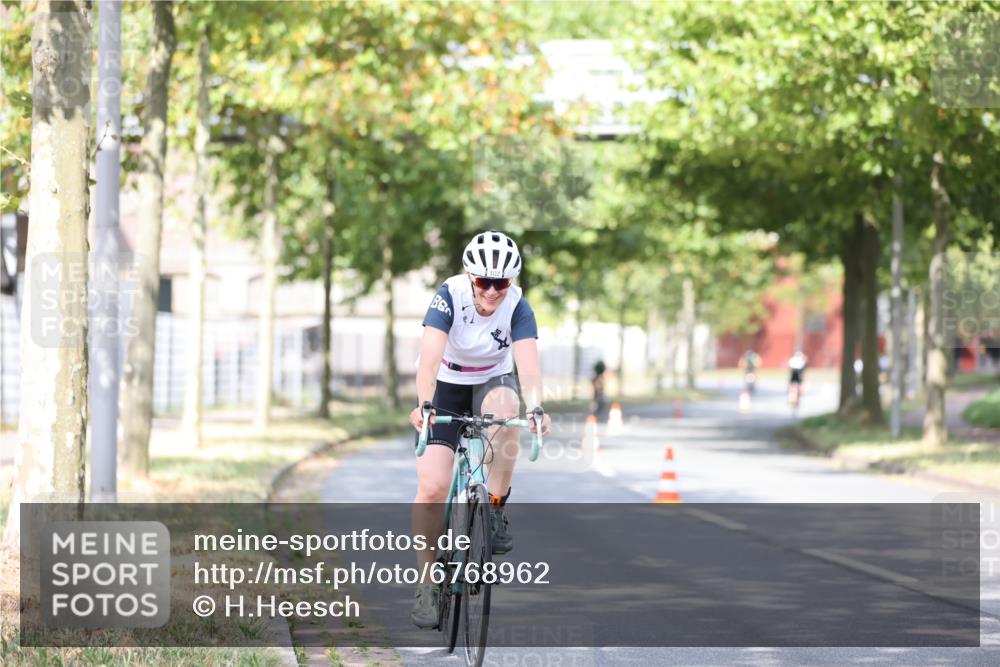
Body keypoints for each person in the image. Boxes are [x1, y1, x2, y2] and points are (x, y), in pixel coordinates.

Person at [408, 230, 551, 629]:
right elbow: (428, 362)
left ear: (511, 281)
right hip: (448, 386)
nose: (491, 291)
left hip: (493, 381)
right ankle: (426, 584)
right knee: (433, 487)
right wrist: (424, 404)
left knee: (509, 411)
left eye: (500, 283)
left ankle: (496, 505)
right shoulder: (448, 295)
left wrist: (537, 406)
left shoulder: (519, 306)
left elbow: (529, 367)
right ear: (470, 277)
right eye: (484, 281)